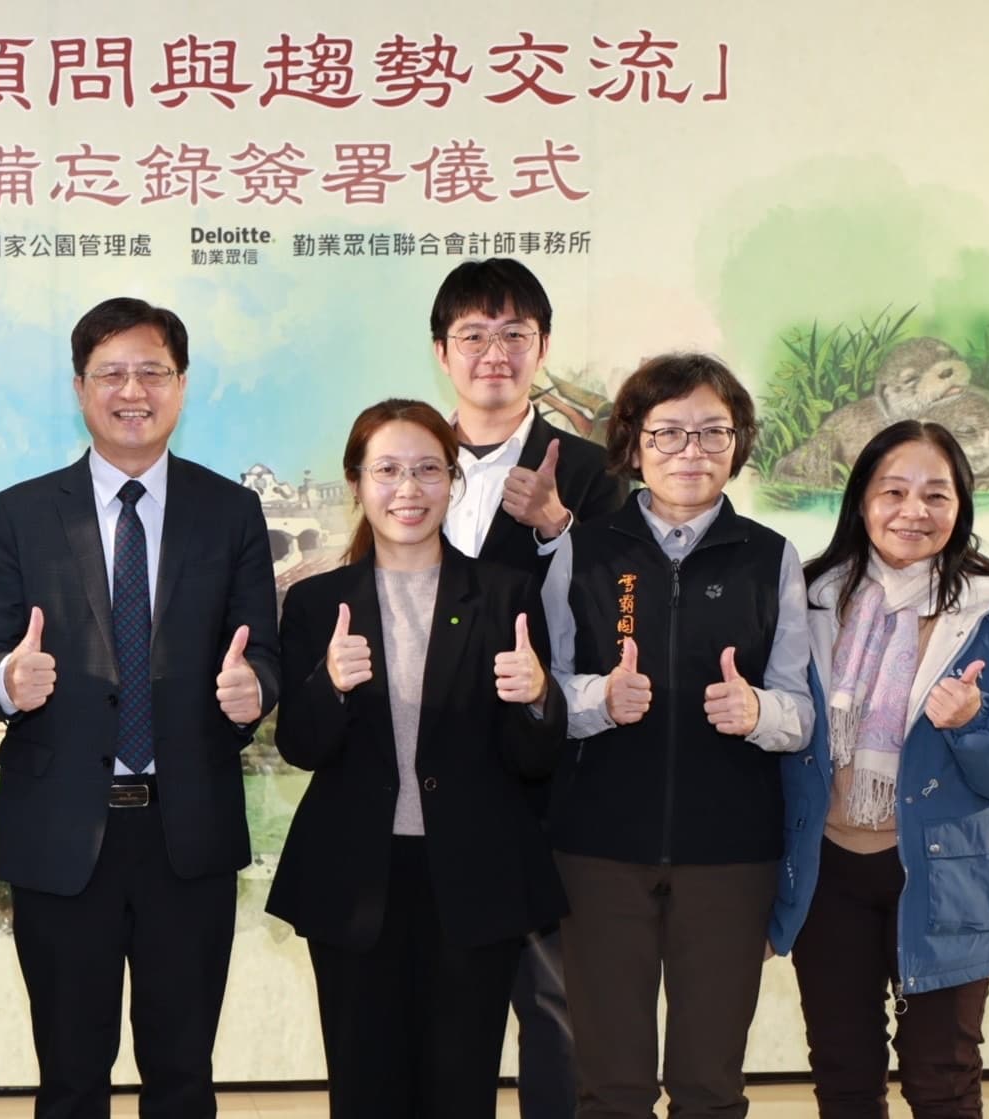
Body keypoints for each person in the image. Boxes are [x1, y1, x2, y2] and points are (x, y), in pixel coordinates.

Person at [0, 296, 282, 1118]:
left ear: (181, 385)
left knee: (183, 1075)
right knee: (71, 1078)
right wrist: (7, 680)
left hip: (188, 829)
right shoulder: (20, 512)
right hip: (62, 829)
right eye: (111, 373)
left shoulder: (230, 511)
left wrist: (256, 689)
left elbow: (263, 652)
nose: (132, 390)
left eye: (152, 372)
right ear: (79, 387)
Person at [266, 399, 566, 1118]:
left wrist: (537, 698)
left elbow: (534, 759)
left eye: (429, 470)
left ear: (453, 481)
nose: (409, 489)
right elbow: (300, 746)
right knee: (364, 1090)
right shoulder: (316, 602)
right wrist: (329, 686)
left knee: (460, 1090)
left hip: (474, 878)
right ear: (357, 482)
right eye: (389, 471)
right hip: (352, 879)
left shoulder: (504, 594)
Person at [770, 421, 989, 1117]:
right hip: (827, 873)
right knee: (844, 1077)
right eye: (894, 491)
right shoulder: (808, 599)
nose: (915, 511)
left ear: (961, 506)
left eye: (936, 494)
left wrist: (975, 721)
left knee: (943, 1080)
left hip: (947, 875)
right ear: (861, 500)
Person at [541, 353, 813, 1119]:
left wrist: (758, 712)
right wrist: (600, 698)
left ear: (738, 443)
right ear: (633, 443)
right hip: (598, 848)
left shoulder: (771, 557)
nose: (690, 451)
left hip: (730, 854)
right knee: (610, 1086)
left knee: (710, 1085)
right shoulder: (583, 551)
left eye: (712, 431)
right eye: (667, 432)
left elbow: (801, 711)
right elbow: (544, 691)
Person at [431, 258, 625, 1117]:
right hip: (431, 779)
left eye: (515, 333)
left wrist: (557, 529)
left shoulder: (591, 471)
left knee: (554, 1001)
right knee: (443, 1001)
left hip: (551, 776)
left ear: (542, 347)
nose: (494, 352)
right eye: (473, 333)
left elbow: (621, 612)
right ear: (441, 351)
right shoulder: (411, 461)